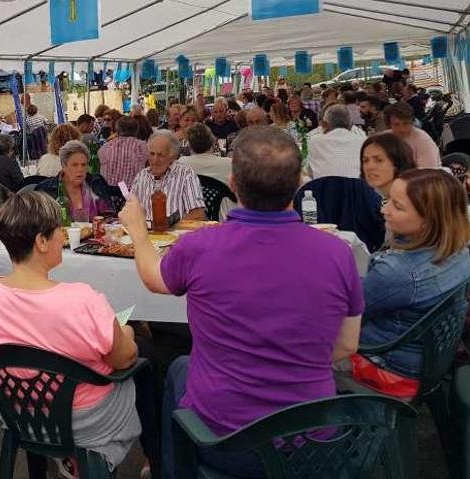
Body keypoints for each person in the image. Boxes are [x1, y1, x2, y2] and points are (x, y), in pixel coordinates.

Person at [119, 125, 363, 478]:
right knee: (180, 369)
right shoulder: (338, 253)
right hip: (311, 439)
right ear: (298, 185)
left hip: (226, 439)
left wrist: (139, 233)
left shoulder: (199, 246)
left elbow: (153, 279)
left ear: (232, 184)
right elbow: (346, 344)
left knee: (177, 369)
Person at [0, 191, 142, 471]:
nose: (63, 236)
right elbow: (123, 359)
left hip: (16, 412)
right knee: (145, 372)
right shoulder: (82, 300)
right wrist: (126, 332)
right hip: (83, 419)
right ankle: (156, 459)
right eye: (59, 230)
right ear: (41, 241)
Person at [355, 170, 470, 396]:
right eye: (387, 200)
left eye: (397, 207)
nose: (384, 210)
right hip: (429, 360)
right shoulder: (459, 250)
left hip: (391, 367)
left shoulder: (398, 272)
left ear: (431, 219)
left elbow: (348, 312)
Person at [130, 130, 206, 222]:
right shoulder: (141, 176)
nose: (155, 160)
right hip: (144, 233)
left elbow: (197, 214)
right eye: (152, 154)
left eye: (161, 155)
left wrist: (166, 228)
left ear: (173, 157)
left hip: (175, 234)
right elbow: (130, 211)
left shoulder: (186, 174)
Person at [35, 141, 119, 222]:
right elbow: (40, 224)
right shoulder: (46, 190)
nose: (80, 169)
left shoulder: (96, 182)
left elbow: (110, 216)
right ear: (64, 166)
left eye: (83, 165)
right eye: (74, 165)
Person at [307, 105, 367, 179]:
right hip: (355, 188)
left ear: (325, 124)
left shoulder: (314, 141)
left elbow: (309, 171)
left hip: (322, 188)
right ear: (350, 124)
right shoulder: (363, 141)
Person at [384, 102, 441, 169]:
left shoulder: (423, 141)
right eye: (396, 124)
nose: (402, 129)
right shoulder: (385, 138)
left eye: (406, 123)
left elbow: (428, 173)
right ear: (389, 125)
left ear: (412, 121)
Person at [360, 133, 417, 198]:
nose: (369, 167)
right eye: (365, 160)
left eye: (379, 160)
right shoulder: (363, 197)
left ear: (396, 163)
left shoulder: (413, 200)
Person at [99, 116, 148, 187]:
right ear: (136, 130)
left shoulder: (106, 147)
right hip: (133, 193)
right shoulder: (142, 146)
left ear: (117, 130)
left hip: (108, 193)